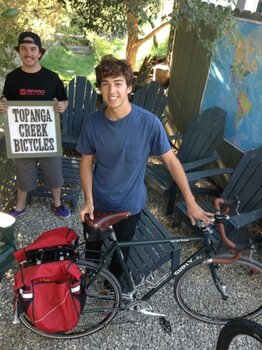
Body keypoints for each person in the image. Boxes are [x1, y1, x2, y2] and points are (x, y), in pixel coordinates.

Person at [77, 54, 213, 287]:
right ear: (99, 87)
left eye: (118, 83)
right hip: (98, 200)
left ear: (129, 87)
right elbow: (86, 164)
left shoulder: (149, 123)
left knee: (123, 251)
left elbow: (171, 162)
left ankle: (113, 287)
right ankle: (89, 277)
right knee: (92, 247)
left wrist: (190, 201)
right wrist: (88, 200)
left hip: (131, 204)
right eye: (105, 84)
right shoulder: (92, 122)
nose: (112, 91)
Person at [0, 31, 70, 219]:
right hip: (22, 138)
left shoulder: (51, 78)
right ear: (19, 51)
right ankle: (20, 205)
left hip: (47, 137)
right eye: (24, 49)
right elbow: (7, 100)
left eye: (33, 49)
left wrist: (62, 106)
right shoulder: (13, 78)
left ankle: (57, 203)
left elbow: (64, 100)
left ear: (40, 53)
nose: (28, 53)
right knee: (23, 172)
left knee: (54, 172)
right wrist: (3, 104)